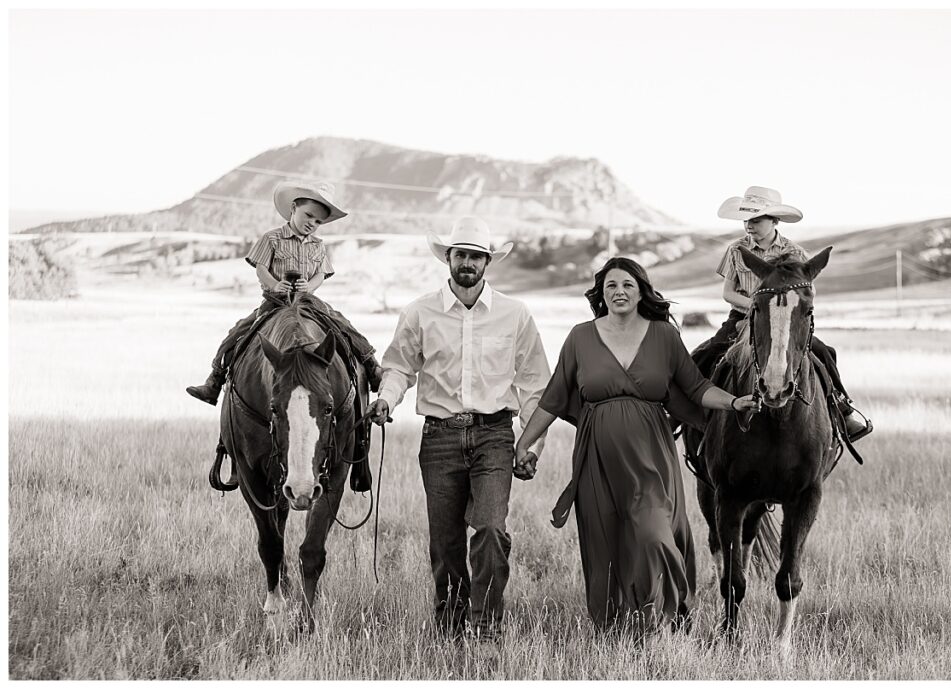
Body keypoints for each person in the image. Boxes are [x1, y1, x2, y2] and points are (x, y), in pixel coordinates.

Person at [512, 257, 758, 640]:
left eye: (627, 284)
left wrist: (734, 402)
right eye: (611, 285)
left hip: (650, 457)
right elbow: (554, 397)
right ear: (600, 293)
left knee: (654, 534)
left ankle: (663, 617)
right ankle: (619, 628)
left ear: (642, 290)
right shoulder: (580, 336)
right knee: (607, 539)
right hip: (597, 457)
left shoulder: (662, 336)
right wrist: (525, 444)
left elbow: (695, 388)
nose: (619, 292)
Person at [367, 216, 551, 644]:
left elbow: (535, 386)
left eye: (476, 256)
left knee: (490, 528)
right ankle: (449, 625)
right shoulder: (419, 312)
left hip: (495, 435)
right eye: (460, 254)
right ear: (448, 258)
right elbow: (398, 367)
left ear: (488, 262)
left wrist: (532, 446)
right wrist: (386, 399)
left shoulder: (515, 314)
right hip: (440, 437)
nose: (467, 262)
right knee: (445, 540)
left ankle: (486, 625)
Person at [690, 186, 872, 442]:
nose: (749, 226)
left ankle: (842, 410)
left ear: (774, 220)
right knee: (707, 352)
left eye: (756, 220)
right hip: (742, 317)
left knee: (824, 352)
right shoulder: (736, 250)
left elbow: (808, 291)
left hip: (785, 322)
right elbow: (728, 293)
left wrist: (781, 311)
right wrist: (758, 306)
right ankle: (683, 414)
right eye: (746, 220)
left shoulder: (795, 253)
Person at [186, 180, 382, 406]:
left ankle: (371, 366)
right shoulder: (272, 238)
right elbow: (260, 268)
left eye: (318, 221)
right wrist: (275, 285)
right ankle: (214, 381)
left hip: (308, 301)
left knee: (342, 324)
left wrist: (310, 287)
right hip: (275, 301)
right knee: (239, 331)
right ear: (293, 208)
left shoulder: (318, 245)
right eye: (308, 215)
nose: (312, 223)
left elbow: (320, 273)